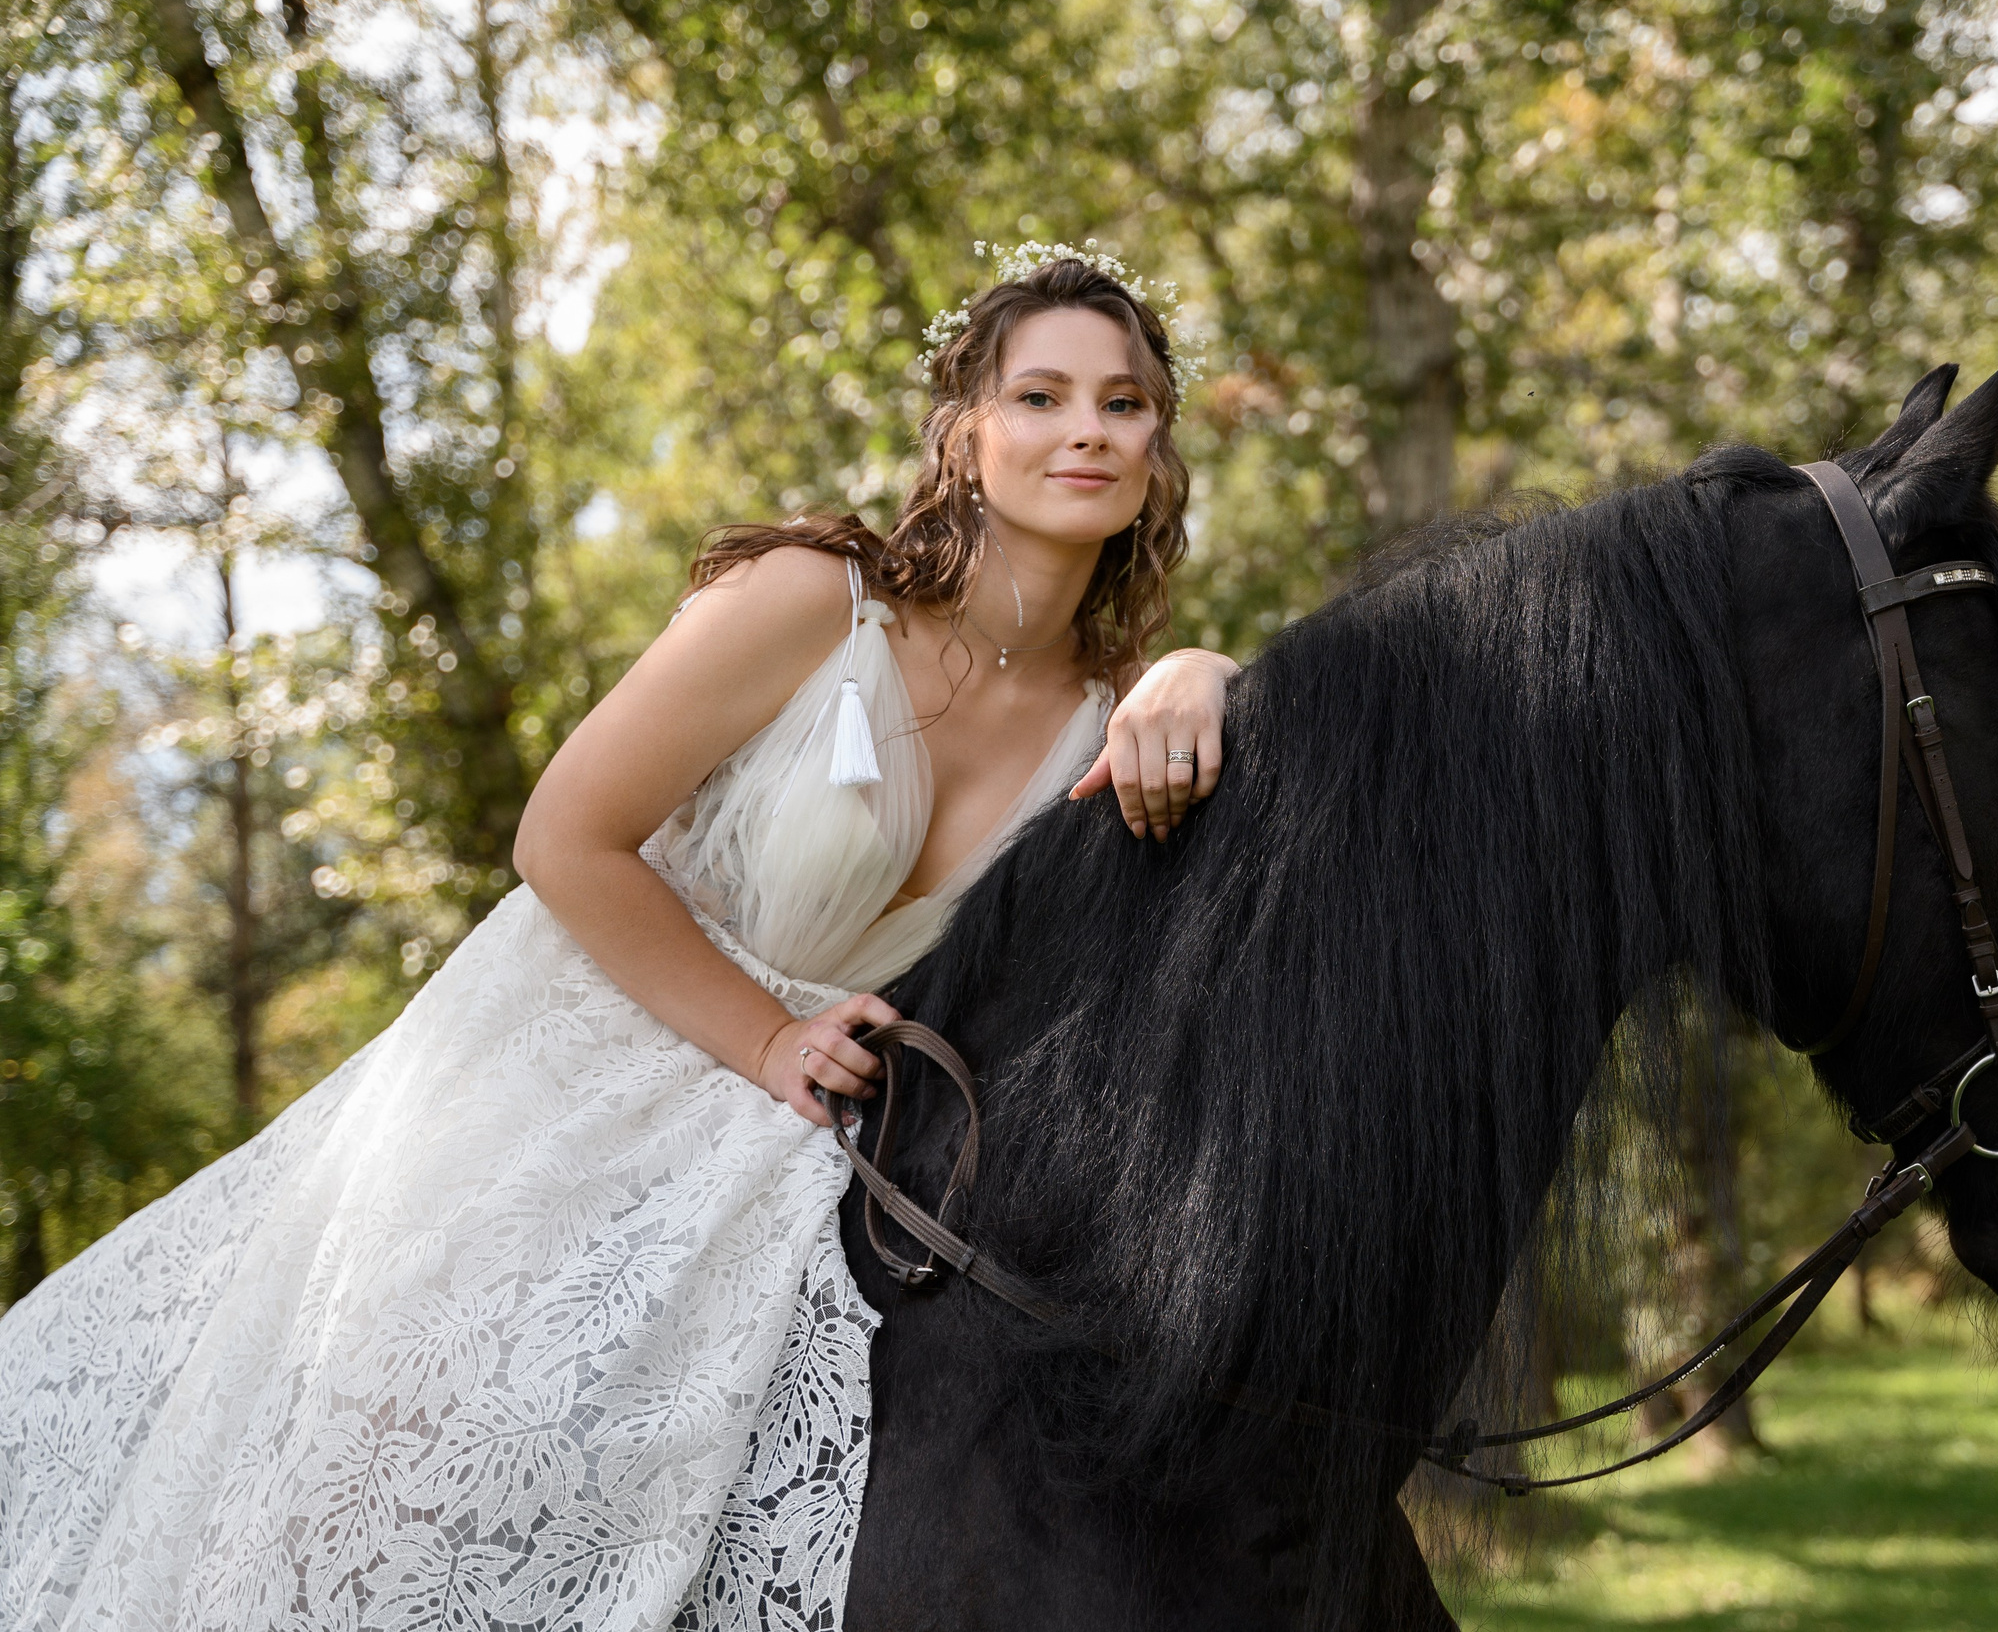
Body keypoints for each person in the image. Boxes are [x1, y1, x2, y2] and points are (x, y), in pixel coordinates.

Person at [0, 250, 1236, 1631]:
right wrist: (765, 1039)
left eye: (1124, 403)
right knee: (407, 1494)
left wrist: (1207, 673)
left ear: (1156, 450)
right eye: (1041, 396)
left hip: (820, 1143)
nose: (1086, 430)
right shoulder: (816, 602)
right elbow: (564, 838)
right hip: (585, 1069)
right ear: (966, 433)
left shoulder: (1117, 723)